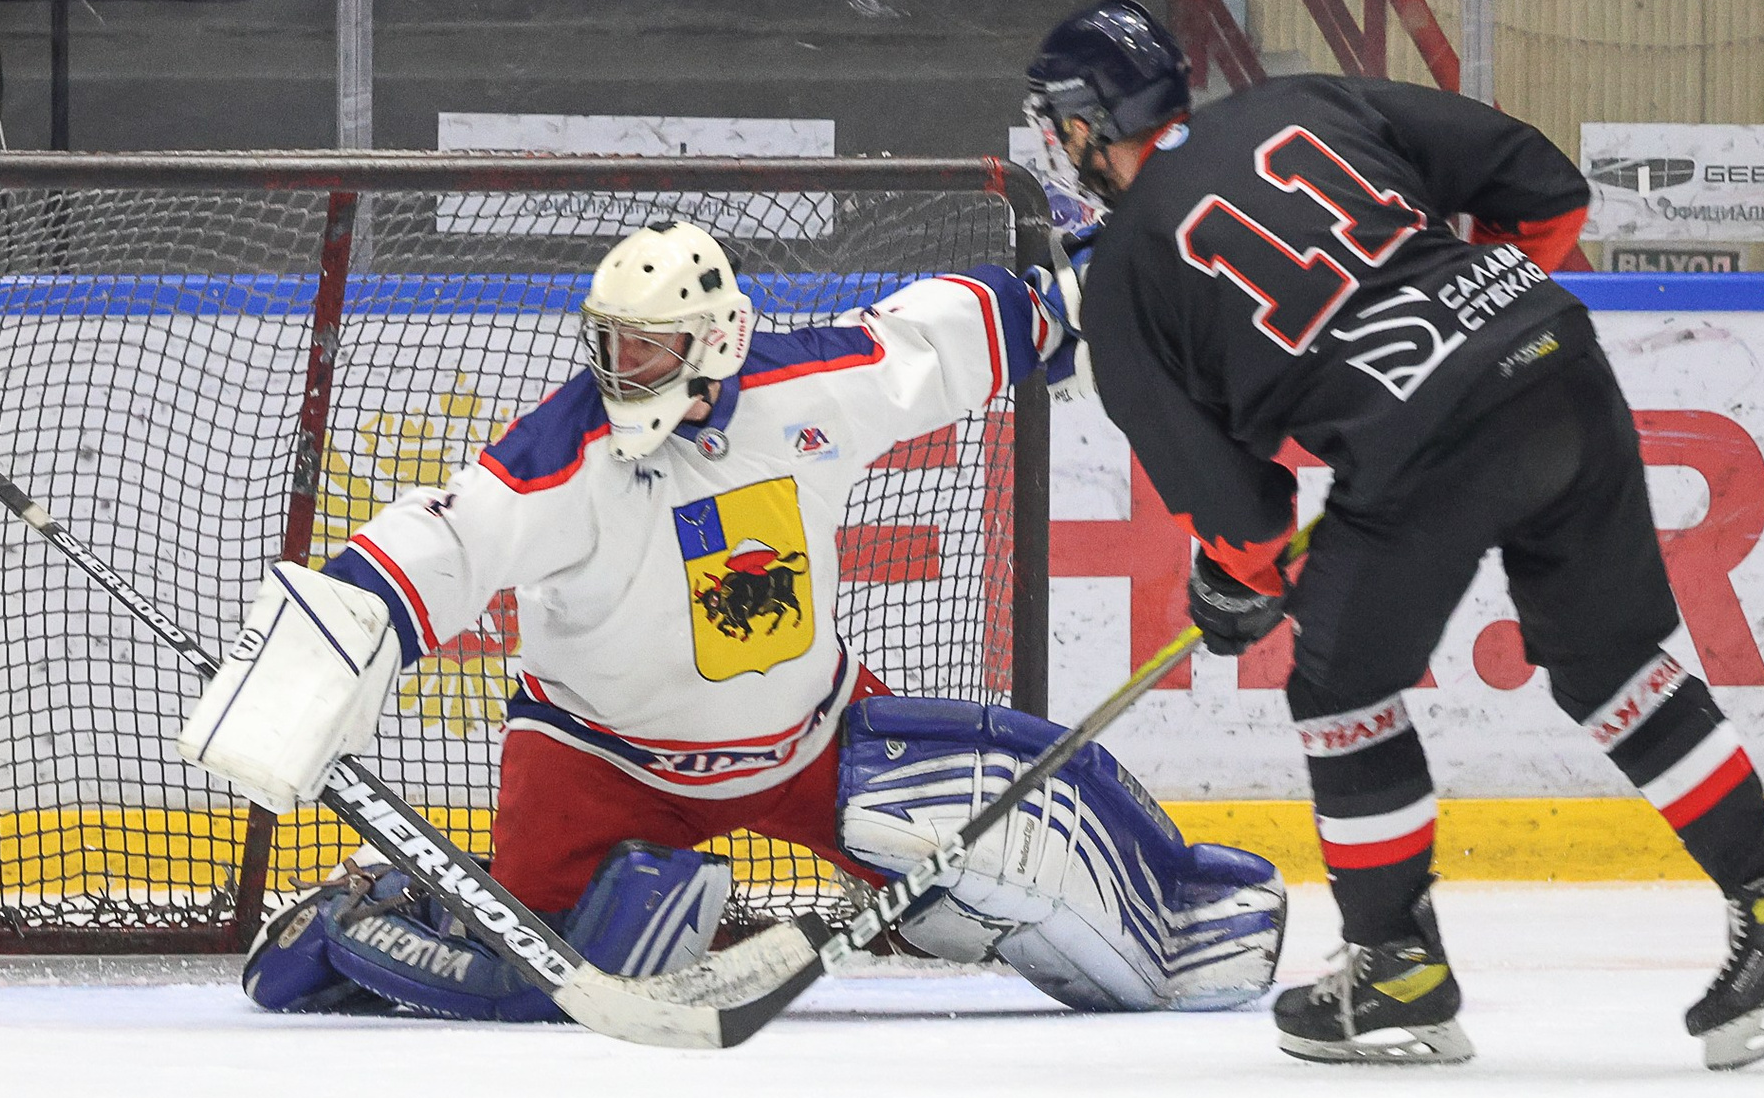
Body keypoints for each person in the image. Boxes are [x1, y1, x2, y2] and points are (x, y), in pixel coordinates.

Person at [1021, 0, 1764, 1070]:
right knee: (1608, 664)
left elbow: (1238, 517)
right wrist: (1474, 326)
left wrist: (1233, 586)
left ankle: (1395, 972)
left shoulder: (1126, 283)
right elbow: (1544, 186)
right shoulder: (1303, 101)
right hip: (1553, 355)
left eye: (1057, 125)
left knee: (1338, 684)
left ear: (1089, 123)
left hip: (1427, 438)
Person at [176, 218, 1288, 1021]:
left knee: (985, 853)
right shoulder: (560, 459)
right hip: (599, 766)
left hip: (807, 739)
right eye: (608, 343)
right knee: (542, 978)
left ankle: (1184, 903)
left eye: (645, 347)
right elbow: (443, 545)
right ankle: (348, 922)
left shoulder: (809, 391)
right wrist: (315, 657)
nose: (619, 369)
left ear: (710, 341)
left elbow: (938, 341)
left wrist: (1087, 295)